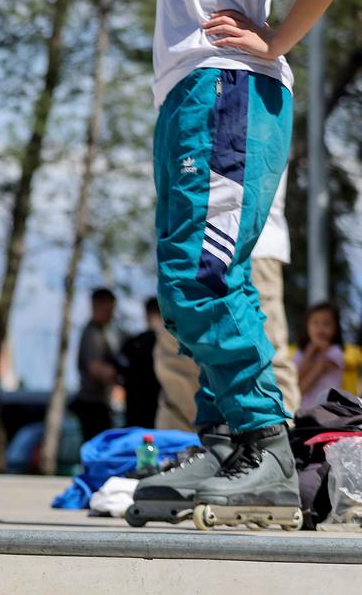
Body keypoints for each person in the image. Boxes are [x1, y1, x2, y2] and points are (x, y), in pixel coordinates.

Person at [132, 0, 354, 531]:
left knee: (206, 273)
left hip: (230, 88)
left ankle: (263, 449)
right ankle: (225, 441)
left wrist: (276, 40)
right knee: (181, 286)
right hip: (186, 94)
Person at [152, 170, 301, 429]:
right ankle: (183, 454)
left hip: (247, 241)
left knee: (263, 358)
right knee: (177, 362)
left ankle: (279, 455)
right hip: (186, 240)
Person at [70, 288, 120, 440]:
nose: (110, 315)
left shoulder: (104, 332)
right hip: (92, 405)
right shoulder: (92, 334)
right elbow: (96, 370)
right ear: (95, 306)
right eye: (107, 310)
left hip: (100, 403)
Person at [117, 297, 164, 430]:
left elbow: (117, 373)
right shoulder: (172, 346)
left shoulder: (131, 344)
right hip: (161, 415)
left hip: (134, 416)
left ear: (147, 315)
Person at [295, 302, 346, 414]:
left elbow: (303, 386)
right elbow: (295, 376)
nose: (320, 328)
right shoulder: (301, 353)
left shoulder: (334, 352)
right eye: (315, 323)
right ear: (307, 326)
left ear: (336, 328)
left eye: (326, 324)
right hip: (303, 411)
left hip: (326, 413)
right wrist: (310, 351)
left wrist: (321, 352)